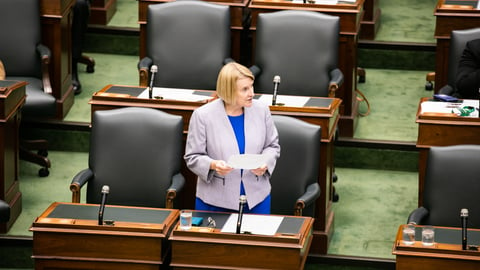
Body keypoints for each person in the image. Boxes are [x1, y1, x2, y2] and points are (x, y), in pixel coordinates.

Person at [184, 62, 280, 214]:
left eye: (252, 86)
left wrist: (265, 162)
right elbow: (193, 156)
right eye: (244, 89)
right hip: (215, 200)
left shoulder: (261, 110)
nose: (252, 93)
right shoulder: (203, 116)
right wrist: (213, 165)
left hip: (256, 198)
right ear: (228, 91)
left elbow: (272, 146)